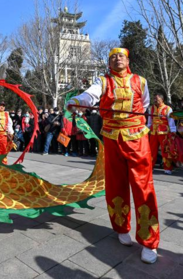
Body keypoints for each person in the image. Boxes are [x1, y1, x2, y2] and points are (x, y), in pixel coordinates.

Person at [67, 47, 158, 264]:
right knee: (116, 184)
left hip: (137, 139)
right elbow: (90, 95)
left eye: (121, 56)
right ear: (109, 62)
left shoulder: (140, 81)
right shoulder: (103, 81)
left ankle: (149, 241)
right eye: (113, 57)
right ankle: (121, 227)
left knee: (143, 187)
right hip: (111, 138)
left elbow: (144, 106)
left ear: (128, 60)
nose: (118, 59)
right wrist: (78, 101)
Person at [147, 93, 176, 174]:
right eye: (154, 99)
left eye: (157, 98)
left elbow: (171, 122)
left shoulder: (168, 109)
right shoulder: (151, 108)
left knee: (165, 150)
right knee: (151, 150)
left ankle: (167, 168)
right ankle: (150, 167)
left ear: (162, 99)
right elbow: (149, 121)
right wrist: (147, 129)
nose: (155, 100)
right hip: (153, 132)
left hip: (164, 132)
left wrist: (173, 131)